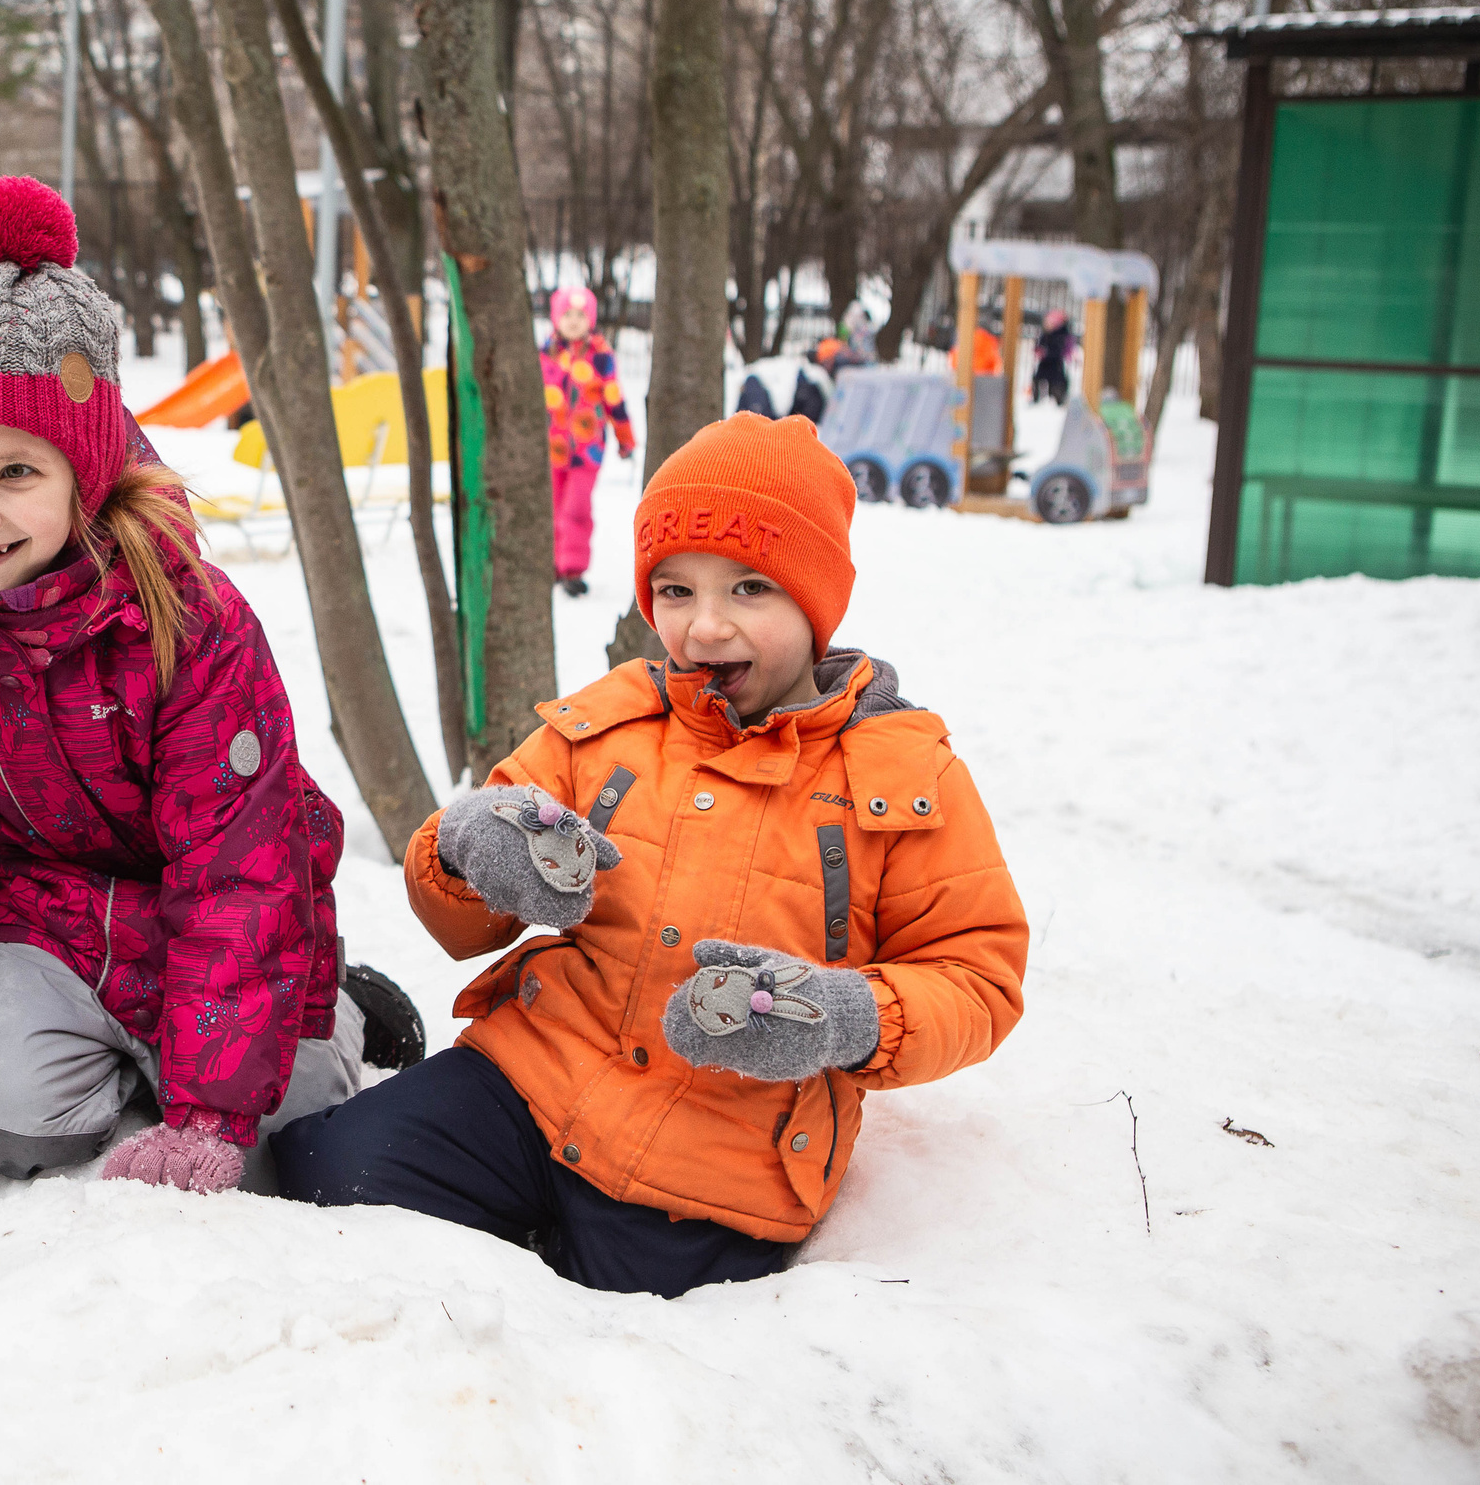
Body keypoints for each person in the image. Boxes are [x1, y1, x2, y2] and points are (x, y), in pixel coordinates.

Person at [0, 177, 424, 1245]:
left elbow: (238, 870)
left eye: (15, 472)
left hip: (221, 926)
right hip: (49, 936)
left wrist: (209, 1116)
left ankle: (333, 1003)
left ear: (85, 469)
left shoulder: (186, 622)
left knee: (280, 1127)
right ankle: (125, 1060)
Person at [274, 414, 1029, 1301]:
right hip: (531, 1079)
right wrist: (468, 847)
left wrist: (846, 1017)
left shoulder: (901, 774)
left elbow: (977, 973)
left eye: (749, 588)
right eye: (675, 590)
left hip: (720, 1160)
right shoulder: (614, 723)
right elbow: (458, 910)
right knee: (321, 1174)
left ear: (817, 599)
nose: (704, 626)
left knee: (620, 1336)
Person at [541, 287, 636, 598]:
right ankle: (552, 563)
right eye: (567, 314)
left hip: (587, 450)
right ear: (556, 318)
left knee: (575, 508)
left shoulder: (600, 355)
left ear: (590, 320)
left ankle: (572, 567)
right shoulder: (545, 354)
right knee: (552, 506)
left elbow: (613, 399)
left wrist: (625, 438)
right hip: (551, 448)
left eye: (580, 315)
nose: (573, 321)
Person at [1033, 309, 1074, 405]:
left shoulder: (1060, 336)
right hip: (1045, 363)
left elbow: (1059, 350)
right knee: (1039, 380)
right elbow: (1039, 344)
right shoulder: (1046, 335)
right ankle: (1039, 399)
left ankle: (1056, 399)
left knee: (1056, 383)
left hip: (1055, 364)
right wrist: (1039, 350)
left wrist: (1046, 353)